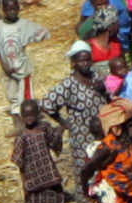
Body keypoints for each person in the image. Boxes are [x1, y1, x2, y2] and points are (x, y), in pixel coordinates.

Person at [42, 44, 107, 186]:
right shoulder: (68, 84)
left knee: (103, 171)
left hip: (102, 135)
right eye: (81, 60)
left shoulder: (98, 77)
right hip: (82, 137)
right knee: (85, 172)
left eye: (88, 60)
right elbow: (47, 104)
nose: (85, 64)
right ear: (74, 63)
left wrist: (104, 90)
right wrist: (64, 123)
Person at [0, 0, 51, 116]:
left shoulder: (24, 25)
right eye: (8, 9)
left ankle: (29, 123)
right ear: (3, 10)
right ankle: (17, 122)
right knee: (12, 95)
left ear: (19, 8)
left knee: (25, 97)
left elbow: (43, 32)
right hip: (7, 68)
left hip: (22, 68)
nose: (12, 12)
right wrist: (4, 65)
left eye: (14, 9)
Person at [14, 98, 68, 203]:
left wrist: (60, 130)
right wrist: (23, 181)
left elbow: (54, 140)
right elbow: (19, 161)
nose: (29, 119)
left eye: (32, 115)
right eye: (26, 116)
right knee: (35, 201)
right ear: (21, 116)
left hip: (48, 172)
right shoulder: (22, 136)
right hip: (32, 175)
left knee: (54, 196)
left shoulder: (44, 128)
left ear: (38, 114)